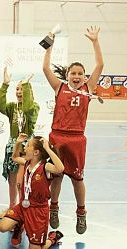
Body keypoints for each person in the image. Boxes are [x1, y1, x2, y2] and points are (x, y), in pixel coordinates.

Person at [42, 26, 104, 234]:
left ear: (85, 77)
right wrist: (49, 45)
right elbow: (45, 68)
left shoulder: (88, 89)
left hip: (77, 139)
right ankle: (54, 208)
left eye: (80, 73)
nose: (76, 76)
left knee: (77, 179)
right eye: (73, 73)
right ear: (67, 75)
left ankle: (81, 212)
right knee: (57, 177)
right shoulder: (59, 87)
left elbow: (100, 64)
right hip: (58, 137)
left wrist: (95, 41)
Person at [0, 133, 64, 249]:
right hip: (23, 206)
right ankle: (19, 224)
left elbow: (60, 168)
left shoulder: (46, 167)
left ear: (36, 152)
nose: (25, 148)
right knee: (2, 227)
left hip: (38, 211)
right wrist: (17, 143)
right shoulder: (27, 163)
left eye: (28, 146)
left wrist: (48, 149)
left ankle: (52, 238)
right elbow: (14, 158)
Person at [0, 67, 40, 218]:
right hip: (13, 146)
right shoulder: (11, 107)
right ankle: (11, 208)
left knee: (23, 181)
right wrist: (5, 84)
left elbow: (27, 107)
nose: (19, 92)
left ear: (28, 91)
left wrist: (26, 85)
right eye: (17, 89)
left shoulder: (34, 107)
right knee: (12, 180)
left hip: (27, 147)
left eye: (22, 89)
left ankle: (23, 209)